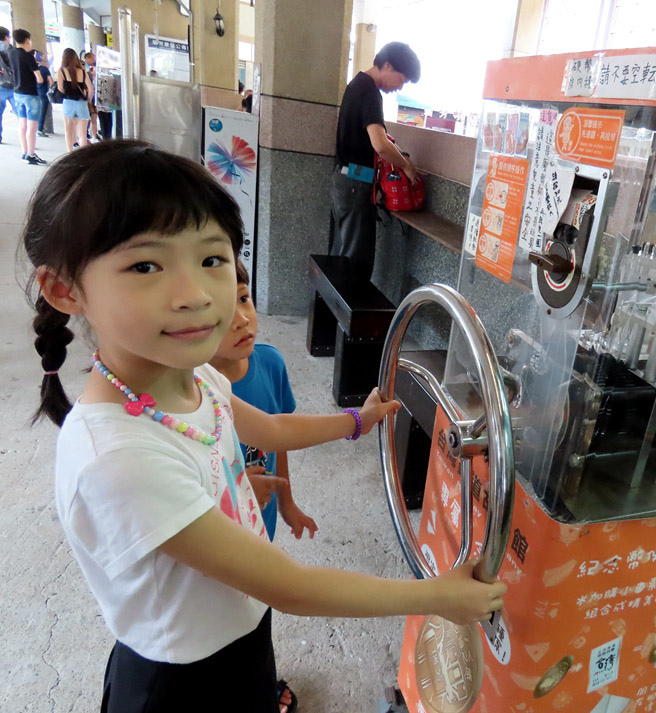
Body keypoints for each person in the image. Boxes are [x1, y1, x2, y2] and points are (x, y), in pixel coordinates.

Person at [24, 140, 505, 713]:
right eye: (145, 265)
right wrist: (438, 596)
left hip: (239, 630)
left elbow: (268, 431)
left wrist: (356, 420)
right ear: (64, 289)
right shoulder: (116, 458)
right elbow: (290, 587)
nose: (196, 295)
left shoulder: (193, 374)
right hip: (183, 681)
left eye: (212, 258)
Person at [210, 259, 316, 713]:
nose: (241, 318)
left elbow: (279, 438)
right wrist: (236, 493)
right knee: (224, 618)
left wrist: (287, 501)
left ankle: (263, 682)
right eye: (221, 309)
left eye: (244, 299)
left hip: (263, 525)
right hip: (218, 539)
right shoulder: (196, 387)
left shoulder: (270, 363)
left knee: (257, 613)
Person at [330, 41, 421, 281]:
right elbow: (380, 144)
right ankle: (348, 315)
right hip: (355, 184)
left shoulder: (356, 84)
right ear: (388, 65)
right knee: (355, 262)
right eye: (402, 79)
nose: (400, 87)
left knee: (342, 255)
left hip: (345, 179)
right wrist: (406, 165)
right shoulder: (369, 91)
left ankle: (337, 315)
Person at [10, 29, 46, 165]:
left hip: (17, 93)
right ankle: (31, 154)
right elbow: (39, 79)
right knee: (32, 126)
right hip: (30, 94)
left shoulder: (11, 53)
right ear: (27, 41)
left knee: (22, 124)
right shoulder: (27, 56)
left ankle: (25, 153)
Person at [57, 48, 93, 153]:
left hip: (68, 103)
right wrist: (89, 101)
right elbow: (90, 89)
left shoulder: (61, 70)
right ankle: (82, 157)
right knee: (82, 135)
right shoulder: (82, 71)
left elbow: (60, 88)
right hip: (81, 103)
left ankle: (70, 154)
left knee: (69, 132)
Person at [0, 27, 16, 144]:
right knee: (22, 114)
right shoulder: (12, 50)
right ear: (6, 37)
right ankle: (27, 142)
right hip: (13, 86)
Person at [33, 49, 51, 137]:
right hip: (43, 92)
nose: (43, 57)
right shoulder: (44, 69)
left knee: (33, 112)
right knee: (42, 112)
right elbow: (51, 82)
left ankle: (33, 129)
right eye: (41, 55)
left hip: (32, 93)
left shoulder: (28, 68)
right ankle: (39, 129)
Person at [83, 51, 99, 140]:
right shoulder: (88, 71)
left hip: (91, 98)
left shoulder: (86, 72)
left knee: (90, 118)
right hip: (93, 97)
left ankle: (90, 135)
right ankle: (93, 136)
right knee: (93, 119)